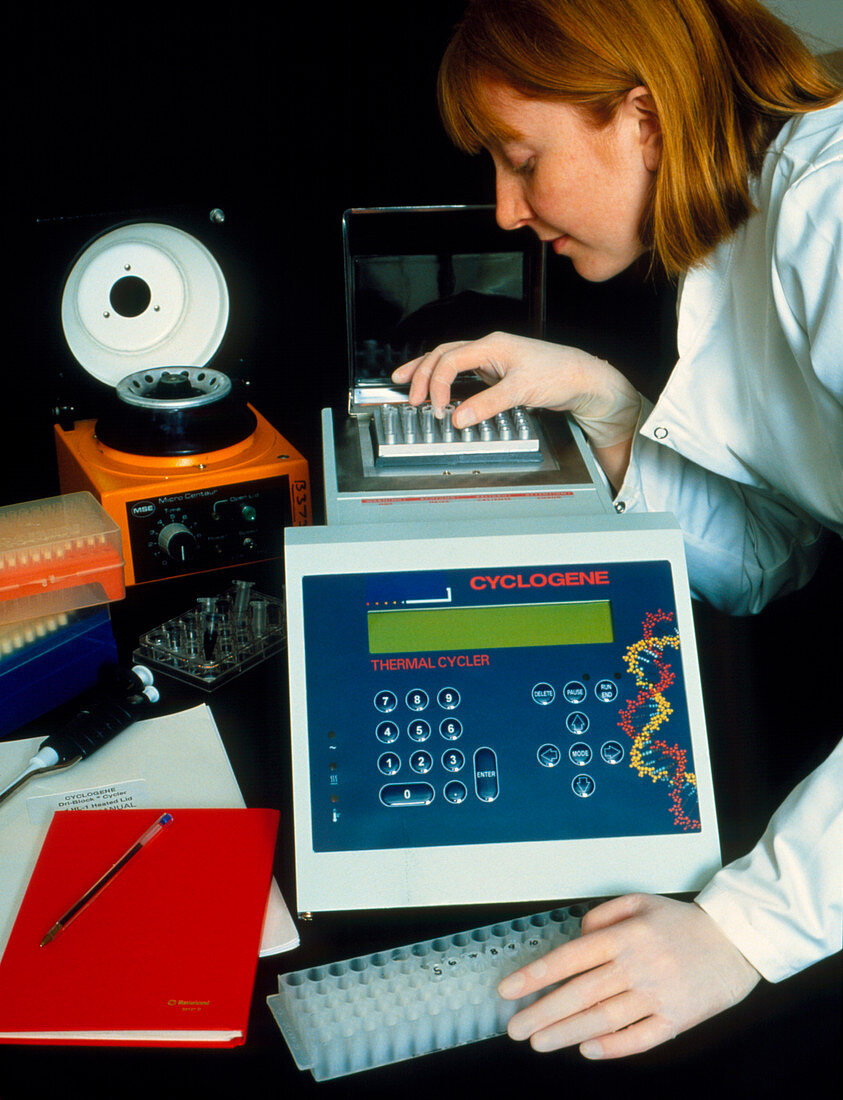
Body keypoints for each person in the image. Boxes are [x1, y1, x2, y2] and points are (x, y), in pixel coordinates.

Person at [392, 0, 842, 1060]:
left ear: (639, 115)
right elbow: (775, 555)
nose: (506, 210)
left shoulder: (829, 209)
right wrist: (611, 410)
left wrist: (747, 926)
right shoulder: (736, 233)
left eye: (521, 159)